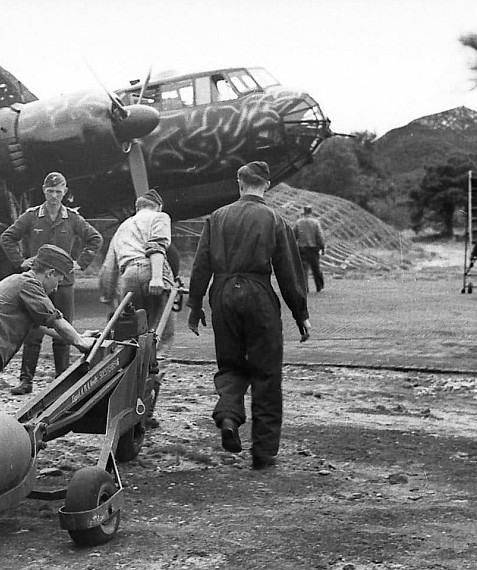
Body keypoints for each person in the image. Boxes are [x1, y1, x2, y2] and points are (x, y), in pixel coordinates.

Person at [186, 161, 311, 470]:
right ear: (266, 185)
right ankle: (263, 453)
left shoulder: (216, 217)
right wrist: (300, 313)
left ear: (239, 184)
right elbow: (288, 271)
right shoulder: (275, 219)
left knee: (230, 364)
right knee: (266, 374)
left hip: (222, 293)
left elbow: (200, 265)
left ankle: (228, 416)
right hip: (258, 294)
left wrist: (195, 305)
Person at [0, 244, 96, 408]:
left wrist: (78, 336)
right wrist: (82, 343)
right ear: (50, 273)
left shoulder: (15, 279)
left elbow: (42, 326)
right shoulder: (30, 285)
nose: (56, 288)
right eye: (58, 280)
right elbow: (56, 321)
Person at [0, 171, 102, 395]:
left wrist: (80, 263)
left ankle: (61, 381)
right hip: (37, 283)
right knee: (33, 331)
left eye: (58, 191)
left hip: (63, 283)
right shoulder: (32, 216)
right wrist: (21, 262)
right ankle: (26, 381)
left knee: (63, 330)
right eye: (50, 191)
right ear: (43, 191)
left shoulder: (72, 218)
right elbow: (7, 237)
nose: (54, 196)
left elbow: (95, 238)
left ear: (65, 192)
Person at [99, 188, 176, 333]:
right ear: (158, 207)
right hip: (151, 271)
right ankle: (160, 348)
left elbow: (108, 268)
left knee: (131, 331)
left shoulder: (122, 227)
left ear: (137, 208)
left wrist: (108, 299)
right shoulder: (160, 216)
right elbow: (157, 244)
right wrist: (157, 278)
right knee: (162, 332)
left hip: (129, 275)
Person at [293, 206, 325, 292]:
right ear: (311, 212)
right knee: (316, 268)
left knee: (303, 269)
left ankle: (305, 287)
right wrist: (322, 246)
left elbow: (294, 235)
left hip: (302, 248)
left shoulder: (298, 222)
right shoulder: (315, 222)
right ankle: (319, 286)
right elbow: (320, 235)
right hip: (313, 248)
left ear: (304, 212)